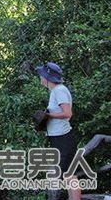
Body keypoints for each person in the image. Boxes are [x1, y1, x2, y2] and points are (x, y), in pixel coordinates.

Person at [37, 62, 81, 200]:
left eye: (41, 75)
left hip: (63, 140)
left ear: (47, 77)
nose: (40, 78)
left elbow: (67, 113)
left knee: (59, 175)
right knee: (69, 174)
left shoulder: (59, 90)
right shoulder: (55, 91)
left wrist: (48, 116)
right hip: (60, 138)